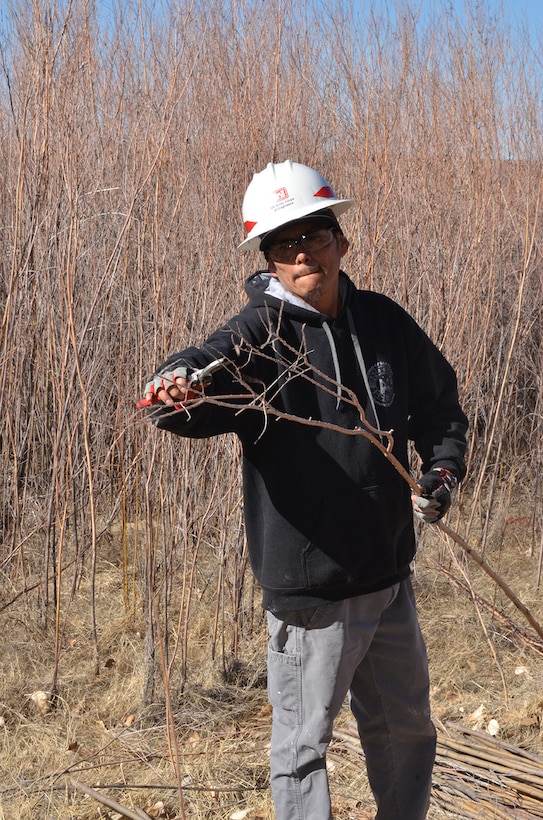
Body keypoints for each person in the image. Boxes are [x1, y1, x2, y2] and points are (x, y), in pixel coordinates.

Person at [139, 160, 468, 820]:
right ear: (267, 257)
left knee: (407, 733)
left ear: (340, 240)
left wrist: (440, 472)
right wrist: (174, 386)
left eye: (313, 234)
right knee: (302, 750)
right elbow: (191, 388)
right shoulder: (255, 338)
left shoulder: (383, 322)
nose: (300, 252)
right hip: (309, 595)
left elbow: (441, 408)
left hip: (387, 579)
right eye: (282, 242)